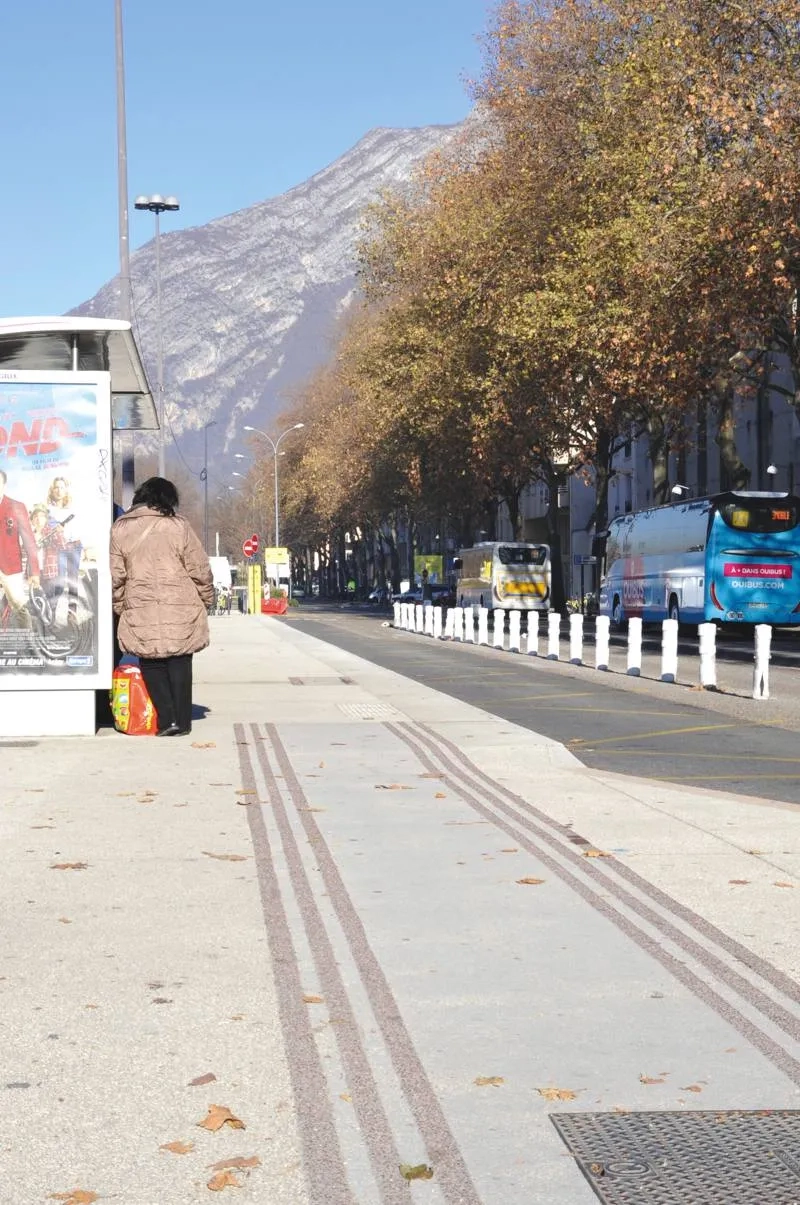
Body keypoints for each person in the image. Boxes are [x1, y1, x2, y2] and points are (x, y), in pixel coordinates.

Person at [110, 477, 214, 736]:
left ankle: (166, 720)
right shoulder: (179, 526)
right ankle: (184, 721)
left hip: (140, 603)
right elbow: (199, 567)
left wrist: (120, 606)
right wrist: (206, 597)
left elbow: (116, 575)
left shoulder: (120, 529)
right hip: (181, 604)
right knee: (180, 659)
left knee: (151, 661)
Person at [0, 469, 40, 626]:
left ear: (4, 485)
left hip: (10, 567)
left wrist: (34, 572)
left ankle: (29, 642)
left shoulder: (16, 507)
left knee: (19, 606)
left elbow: (29, 541)